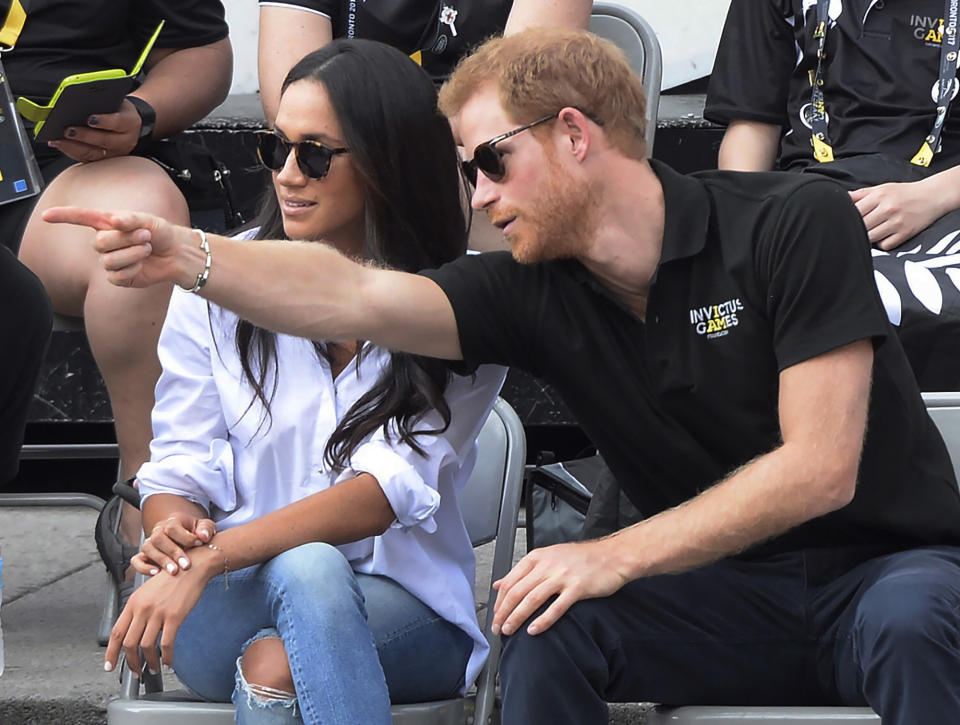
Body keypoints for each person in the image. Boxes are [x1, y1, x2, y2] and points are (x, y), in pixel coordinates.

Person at [47, 27, 960, 725]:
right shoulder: (530, 289)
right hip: (718, 594)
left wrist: (609, 553)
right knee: (539, 621)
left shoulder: (793, 221)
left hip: (881, 576)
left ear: (573, 135)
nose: (477, 195)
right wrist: (190, 254)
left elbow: (821, 466)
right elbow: (351, 297)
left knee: (916, 622)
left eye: (490, 161)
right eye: (463, 171)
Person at [96, 39, 505, 724]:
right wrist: (174, 531)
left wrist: (214, 553)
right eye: (273, 147)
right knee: (302, 578)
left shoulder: (460, 304)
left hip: (402, 609)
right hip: (223, 595)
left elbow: (380, 494)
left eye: (314, 153)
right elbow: (180, 460)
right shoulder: (211, 280)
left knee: (287, 630)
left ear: (387, 161)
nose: (287, 173)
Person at [5, 1, 232, 585]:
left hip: (57, 173)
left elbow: (200, 49)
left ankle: (151, 503)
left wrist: (141, 113)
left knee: (135, 230)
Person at [704, 0, 960, 389]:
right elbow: (751, 129)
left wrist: (931, 197)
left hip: (945, 200)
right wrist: (741, 228)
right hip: (806, 202)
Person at [258, 0, 591, 253]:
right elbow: (290, 100)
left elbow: (512, 104)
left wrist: (378, 132)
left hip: (480, 155)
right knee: (309, 157)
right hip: (342, 147)